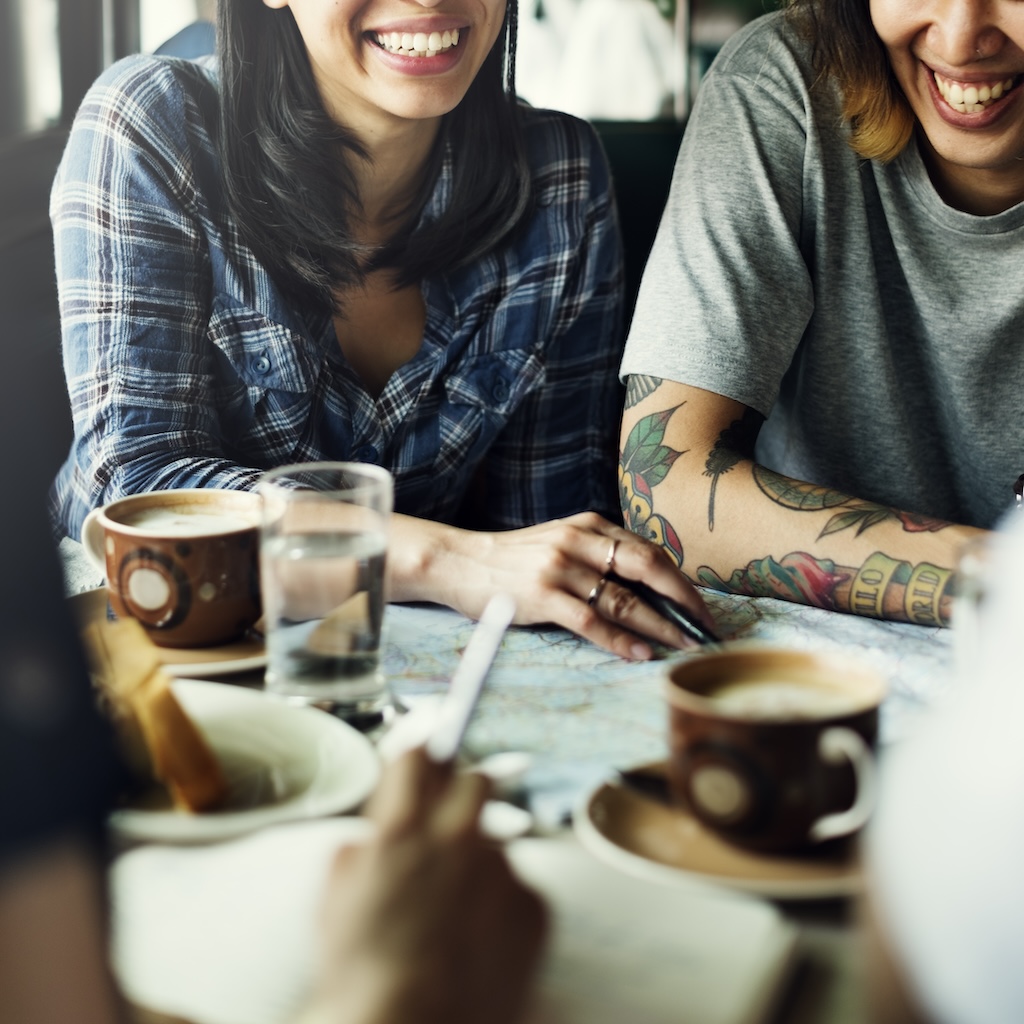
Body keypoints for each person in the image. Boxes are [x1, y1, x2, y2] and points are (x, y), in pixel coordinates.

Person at [49, 0, 713, 659]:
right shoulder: (153, 124)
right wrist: (451, 560)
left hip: (412, 664)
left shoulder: (560, 179)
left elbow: (545, 535)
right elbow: (137, 491)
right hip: (148, 654)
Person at [617, 0, 1024, 627]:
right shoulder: (784, 79)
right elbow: (664, 492)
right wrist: (999, 582)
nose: (961, 37)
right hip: (822, 662)